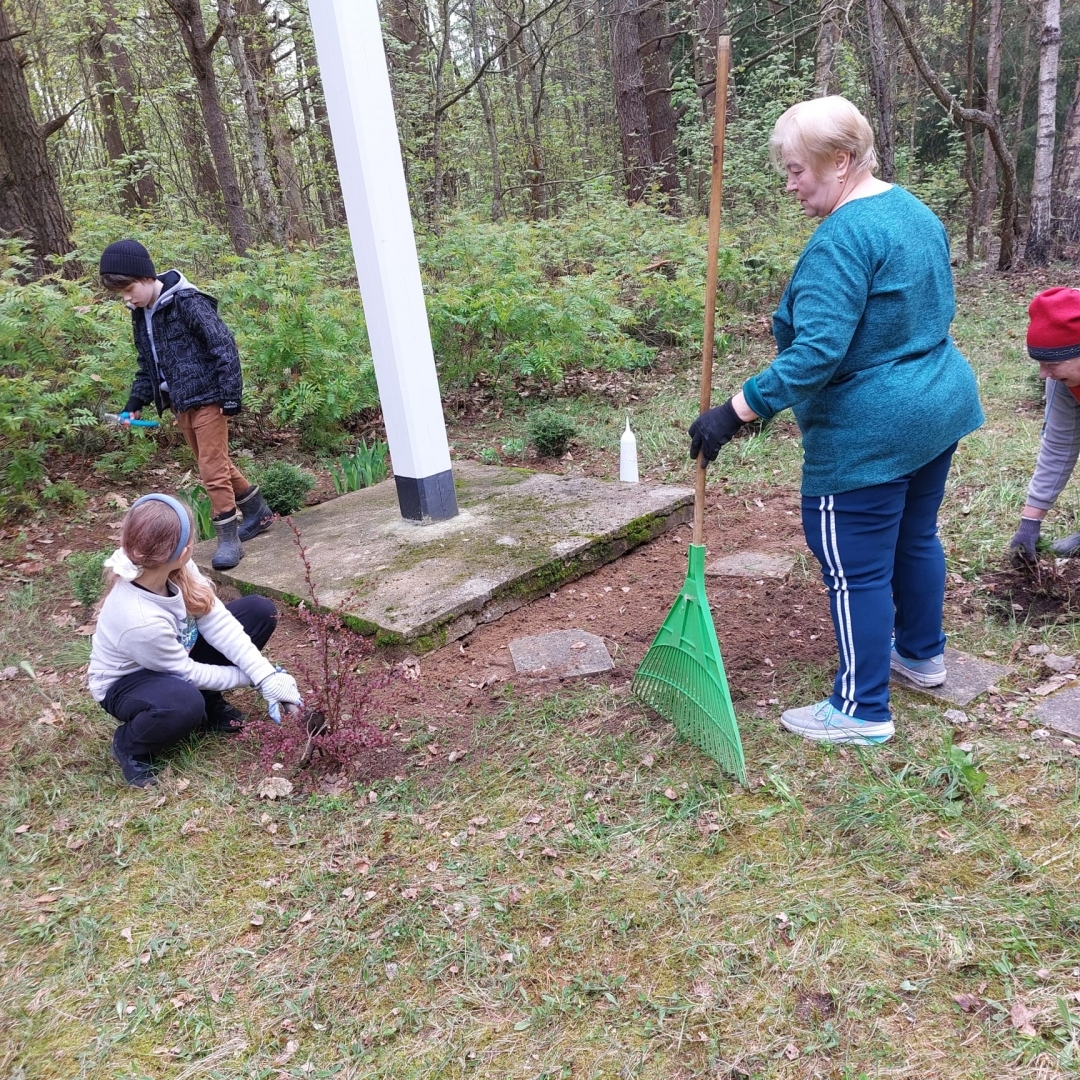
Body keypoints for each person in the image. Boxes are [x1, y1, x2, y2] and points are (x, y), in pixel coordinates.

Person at [688, 96, 984, 745]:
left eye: (797, 170)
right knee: (914, 538)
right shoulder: (912, 211)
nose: (789, 184)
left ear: (842, 161)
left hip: (872, 432)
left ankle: (861, 709)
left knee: (855, 567)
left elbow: (816, 353)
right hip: (937, 407)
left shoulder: (842, 239)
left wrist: (734, 412)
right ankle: (922, 654)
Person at [88, 493, 302, 787]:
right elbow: (185, 673)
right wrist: (253, 679)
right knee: (184, 703)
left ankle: (208, 704)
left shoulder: (175, 567)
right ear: (183, 549)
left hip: (174, 656)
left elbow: (217, 622)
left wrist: (263, 672)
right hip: (128, 683)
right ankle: (130, 743)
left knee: (258, 612)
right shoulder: (138, 620)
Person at [99, 239, 273, 570]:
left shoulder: (187, 302)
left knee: (210, 468)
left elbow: (223, 345)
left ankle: (228, 538)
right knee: (215, 463)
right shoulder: (141, 315)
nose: (126, 297)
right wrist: (136, 402)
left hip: (209, 396)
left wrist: (231, 395)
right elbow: (146, 363)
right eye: (120, 293)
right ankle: (258, 512)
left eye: (129, 288)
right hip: (180, 401)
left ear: (146, 277)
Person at [1008, 288, 1080, 562]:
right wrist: (1030, 522)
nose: (1042, 375)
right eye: (1040, 363)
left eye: (1052, 364)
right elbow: (1059, 447)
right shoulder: (1063, 383)